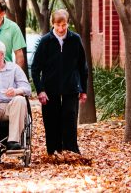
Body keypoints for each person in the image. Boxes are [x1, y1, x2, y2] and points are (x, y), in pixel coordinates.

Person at [30, 9, 88, 155]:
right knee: (51, 119)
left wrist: (83, 89)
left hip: (71, 86)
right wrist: (40, 90)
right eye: (58, 25)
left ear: (68, 23)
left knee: (70, 117)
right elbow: (36, 68)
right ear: (53, 24)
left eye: (64, 25)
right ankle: (53, 151)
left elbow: (82, 66)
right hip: (50, 88)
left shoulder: (75, 39)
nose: (61, 29)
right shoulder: (46, 41)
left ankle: (70, 150)